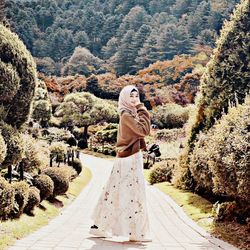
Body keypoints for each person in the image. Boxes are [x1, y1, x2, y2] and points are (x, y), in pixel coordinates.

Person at [89, 85, 151, 242]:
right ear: (124, 98)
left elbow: (141, 131)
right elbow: (144, 130)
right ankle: (133, 232)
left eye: (136, 95)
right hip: (129, 159)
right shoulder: (126, 115)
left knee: (118, 191)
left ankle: (100, 226)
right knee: (129, 193)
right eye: (131, 96)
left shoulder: (129, 114)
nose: (134, 99)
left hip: (129, 157)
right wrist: (141, 107)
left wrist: (138, 108)